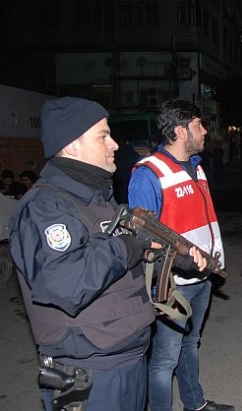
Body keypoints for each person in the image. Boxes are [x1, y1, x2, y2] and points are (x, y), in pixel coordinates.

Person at [8, 96, 202, 411]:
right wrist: (127, 245)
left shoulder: (98, 198)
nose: (114, 144)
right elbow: (66, 283)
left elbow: (124, 265)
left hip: (126, 357)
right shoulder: (44, 207)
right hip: (86, 370)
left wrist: (176, 260)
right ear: (72, 146)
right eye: (103, 136)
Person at [128, 98, 233, 411]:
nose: (205, 130)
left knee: (191, 342)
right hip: (172, 284)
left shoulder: (196, 167)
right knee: (164, 360)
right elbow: (144, 237)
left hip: (203, 276)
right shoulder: (149, 173)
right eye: (199, 125)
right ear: (180, 130)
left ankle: (194, 403)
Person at [112, 134, 140, 204]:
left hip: (120, 187)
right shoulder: (133, 154)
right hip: (133, 186)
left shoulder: (116, 155)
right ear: (127, 142)